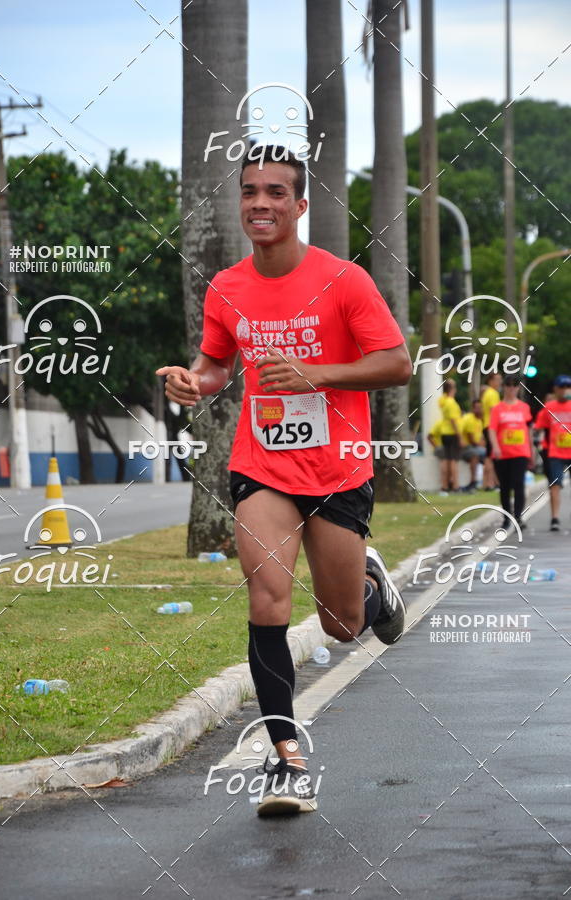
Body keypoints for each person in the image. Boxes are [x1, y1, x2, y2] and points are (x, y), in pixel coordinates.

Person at [156, 146, 412, 816]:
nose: (260, 203)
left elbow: (396, 362)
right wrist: (196, 382)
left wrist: (316, 375)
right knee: (267, 600)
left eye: (275, 192)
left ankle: (366, 585)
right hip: (261, 465)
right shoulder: (228, 287)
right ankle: (287, 762)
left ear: (301, 206)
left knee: (339, 624)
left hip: (338, 465)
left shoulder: (344, 280)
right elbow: (216, 365)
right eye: (249, 192)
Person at [488, 375, 535, 530]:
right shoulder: (497, 409)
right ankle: (506, 518)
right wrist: (495, 447)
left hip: (520, 452)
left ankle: (518, 517)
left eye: (515, 385)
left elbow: (529, 431)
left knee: (518, 484)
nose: (511, 388)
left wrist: (531, 452)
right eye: (508, 385)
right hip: (502, 453)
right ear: (504, 387)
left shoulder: (524, 408)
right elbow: (492, 430)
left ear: (518, 388)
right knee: (505, 487)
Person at [534, 375, 571, 531]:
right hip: (555, 452)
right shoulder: (549, 407)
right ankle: (555, 517)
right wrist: (540, 445)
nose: (565, 390)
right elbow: (539, 428)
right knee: (555, 485)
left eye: (567, 387)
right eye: (561, 387)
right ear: (555, 389)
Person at [438, 378, 462, 494]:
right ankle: (455, 485)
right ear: (451, 389)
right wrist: (460, 436)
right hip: (452, 433)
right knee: (453, 460)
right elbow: (453, 420)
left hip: (444, 432)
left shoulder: (443, 401)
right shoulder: (451, 402)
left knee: (447, 459)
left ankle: (445, 485)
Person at [459, 399, 486, 492]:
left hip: (474, 447)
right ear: (473, 409)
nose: (479, 410)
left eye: (480, 408)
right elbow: (472, 441)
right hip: (466, 448)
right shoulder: (469, 419)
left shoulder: (479, 421)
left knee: (490, 454)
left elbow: (481, 438)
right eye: (477, 408)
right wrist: (483, 447)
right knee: (476, 454)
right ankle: (473, 482)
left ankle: (491, 483)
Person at [481, 372, 501, 489]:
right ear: (490, 381)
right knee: (491, 456)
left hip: (486, 426)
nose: (499, 383)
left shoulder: (486, 393)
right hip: (491, 427)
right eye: (497, 380)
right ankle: (490, 483)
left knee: (489, 456)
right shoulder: (492, 393)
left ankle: (488, 482)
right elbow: (495, 412)